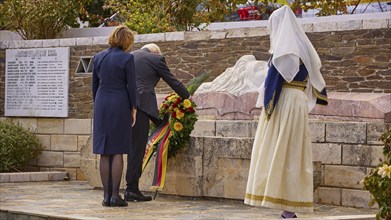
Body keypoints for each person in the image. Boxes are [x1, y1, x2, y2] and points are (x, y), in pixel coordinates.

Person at [244, 5, 328, 219]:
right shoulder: (304, 48)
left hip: (285, 102)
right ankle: (288, 208)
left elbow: (275, 79)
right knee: (293, 152)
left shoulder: (285, 50)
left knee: (282, 149)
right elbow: (314, 79)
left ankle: (287, 209)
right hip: (297, 101)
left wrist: (267, 106)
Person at [124, 43, 190, 202]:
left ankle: (121, 190)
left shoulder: (130, 56)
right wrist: (187, 96)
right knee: (137, 149)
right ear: (156, 52)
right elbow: (172, 81)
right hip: (140, 107)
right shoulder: (156, 59)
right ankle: (131, 189)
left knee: (127, 149)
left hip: (123, 104)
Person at [92, 25, 137, 207]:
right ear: (126, 41)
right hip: (119, 102)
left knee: (104, 150)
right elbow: (132, 87)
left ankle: (105, 196)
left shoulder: (97, 58)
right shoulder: (127, 58)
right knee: (117, 149)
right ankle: (115, 196)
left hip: (101, 102)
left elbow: (94, 87)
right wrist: (133, 108)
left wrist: (99, 105)